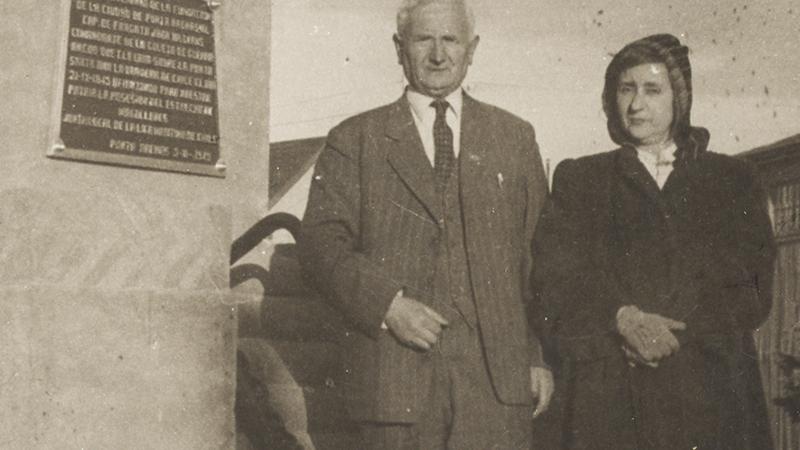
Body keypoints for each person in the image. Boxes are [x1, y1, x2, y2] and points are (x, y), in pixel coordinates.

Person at [297, 0, 553, 448]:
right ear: (400, 49)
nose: (438, 55)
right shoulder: (355, 139)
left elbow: (538, 260)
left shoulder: (514, 138)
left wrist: (537, 355)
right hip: (395, 388)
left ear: (471, 49)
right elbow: (321, 244)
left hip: (497, 389)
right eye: (423, 39)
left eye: (451, 40)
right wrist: (388, 305)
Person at [532, 33, 776, 450]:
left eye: (651, 89)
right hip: (608, 396)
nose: (636, 104)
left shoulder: (734, 180)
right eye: (625, 89)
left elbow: (753, 290)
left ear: (679, 98)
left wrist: (671, 334)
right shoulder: (581, 180)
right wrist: (623, 319)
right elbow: (555, 281)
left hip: (710, 394)